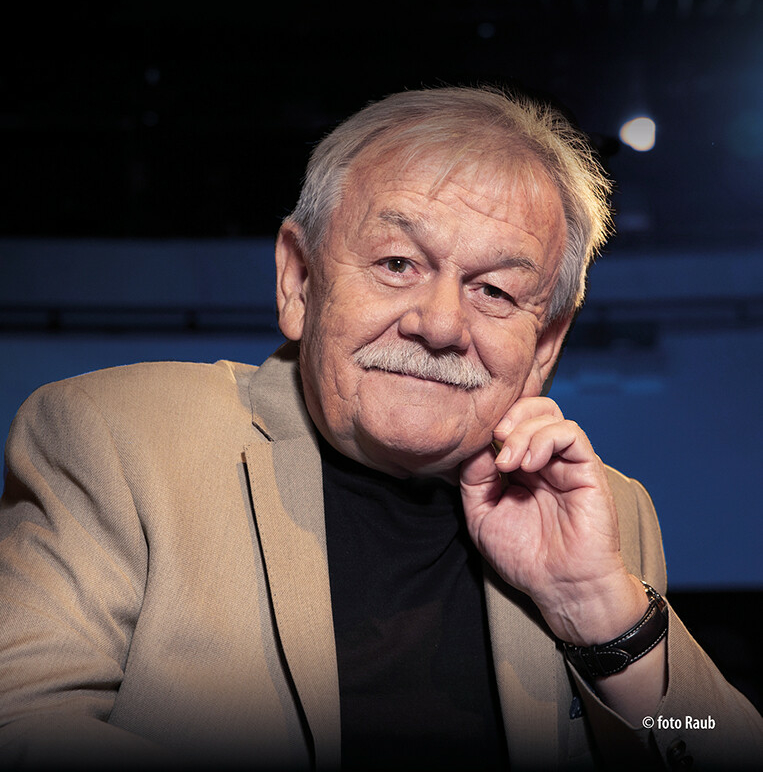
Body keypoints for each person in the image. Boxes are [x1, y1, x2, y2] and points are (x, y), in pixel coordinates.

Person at [1, 86, 761, 772]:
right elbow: (22, 722)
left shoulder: (605, 516)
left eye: (495, 291)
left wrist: (600, 615)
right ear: (299, 281)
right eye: (397, 263)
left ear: (545, 347)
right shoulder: (120, 439)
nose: (441, 325)